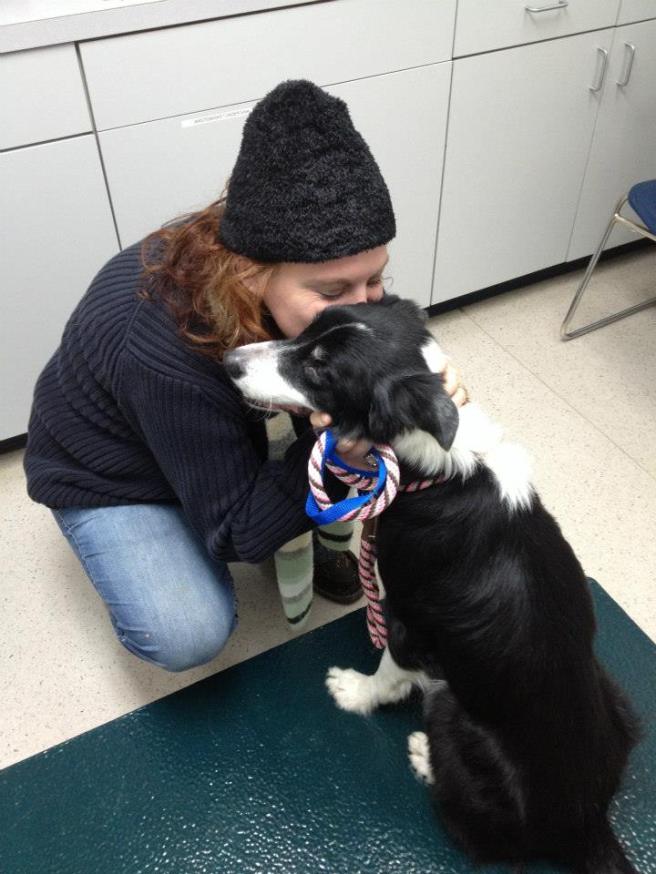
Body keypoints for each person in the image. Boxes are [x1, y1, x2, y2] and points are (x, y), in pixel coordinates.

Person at [23, 80, 467, 673]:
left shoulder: (280, 244)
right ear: (252, 276)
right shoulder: (164, 356)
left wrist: (405, 375)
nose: (363, 307)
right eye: (333, 293)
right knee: (188, 631)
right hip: (109, 469)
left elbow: (359, 328)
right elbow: (237, 536)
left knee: (364, 441)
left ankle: (266, 485)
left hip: (209, 421)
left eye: (375, 280)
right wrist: (340, 444)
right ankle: (180, 508)